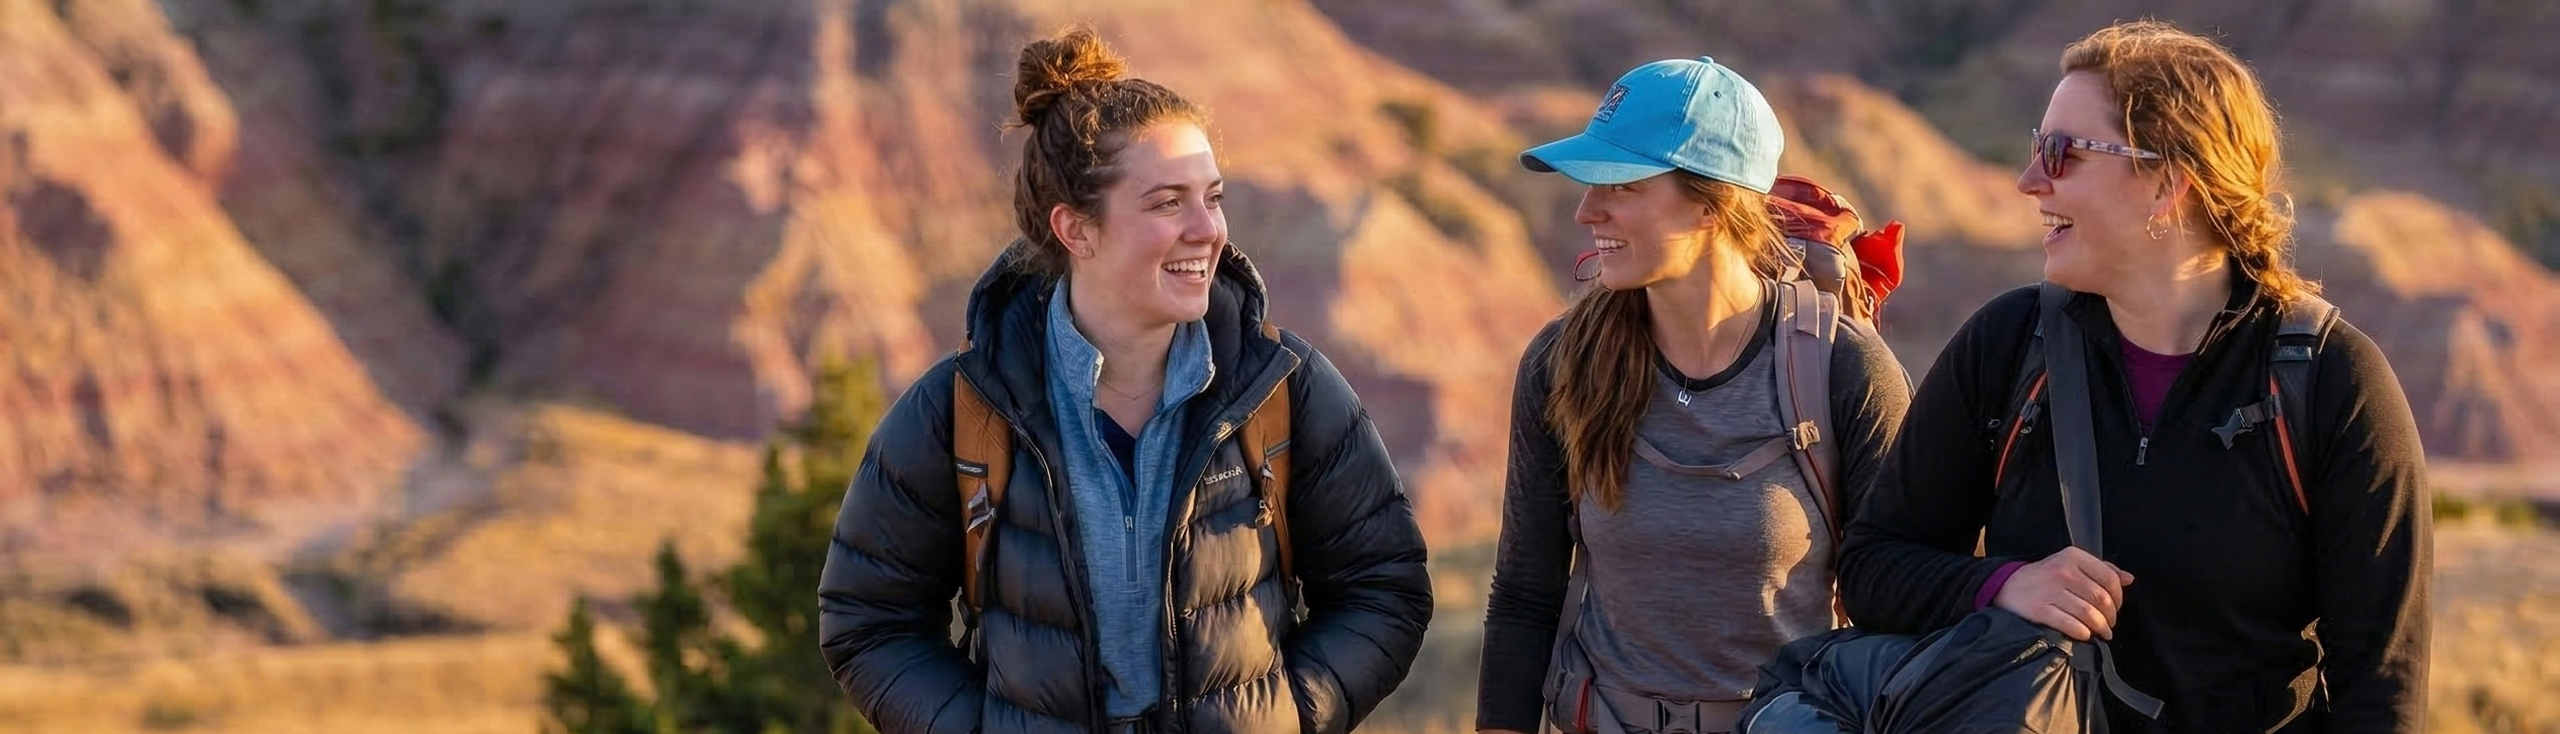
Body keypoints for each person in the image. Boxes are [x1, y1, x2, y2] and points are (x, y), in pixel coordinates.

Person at [817, 27, 1432, 734]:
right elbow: (868, 619)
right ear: (1078, 230)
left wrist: (1289, 717)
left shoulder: (1280, 387)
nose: (1208, 230)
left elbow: (1386, 588)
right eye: (1168, 202)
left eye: (1213, 196)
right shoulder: (965, 405)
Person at [1837, 20, 2429, 733]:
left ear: (2167, 182)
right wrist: (2001, 583)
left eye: (2062, 154)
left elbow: (2382, 691)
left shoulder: (2331, 382)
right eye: (2036, 147)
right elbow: (1873, 567)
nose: (2029, 181)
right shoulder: (2006, 347)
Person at [1476, 56, 1912, 734]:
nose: (1587, 210)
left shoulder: (1842, 369)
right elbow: (1525, 594)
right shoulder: (1562, 362)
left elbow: (1904, 603)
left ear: (1713, 203)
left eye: (1619, 183)